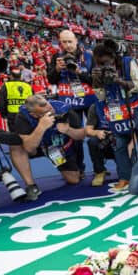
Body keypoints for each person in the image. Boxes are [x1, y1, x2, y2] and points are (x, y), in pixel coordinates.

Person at [87, 39, 138, 189]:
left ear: (114, 57)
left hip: (134, 111)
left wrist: (118, 80)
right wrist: (97, 83)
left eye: (107, 62)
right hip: (116, 115)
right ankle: (124, 177)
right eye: (99, 63)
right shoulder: (98, 70)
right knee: (119, 146)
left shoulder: (127, 62)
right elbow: (100, 98)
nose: (104, 66)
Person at [10, 94, 85, 200]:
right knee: (16, 146)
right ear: (34, 115)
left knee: (74, 179)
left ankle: (79, 167)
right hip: (37, 146)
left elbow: (81, 135)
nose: (50, 109)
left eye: (48, 105)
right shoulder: (23, 116)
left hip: (56, 148)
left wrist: (68, 130)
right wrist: (41, 127)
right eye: (45, 111)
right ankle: (31, 186)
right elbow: (29, 149)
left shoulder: (64, 109)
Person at [47, 30, 97, 178]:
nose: (67, 45)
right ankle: (79, 168)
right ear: (60, 42)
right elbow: (51, 79)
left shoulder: (88, 56)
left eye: (70, 41)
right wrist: (56, 69)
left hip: (89, 100)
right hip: (68, 102)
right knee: (74, 136)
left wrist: (79, 72)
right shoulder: (57, 57)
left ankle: (99, 168)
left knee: (95, 132)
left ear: (76, 40)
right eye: (64, 42)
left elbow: (95, 80)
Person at [0, 66, 33, 131]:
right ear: (20, 76)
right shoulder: (27, 86)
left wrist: (3, 114)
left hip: (12, 114)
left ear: (11, 76)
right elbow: (32, 101)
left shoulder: (6, 85)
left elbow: (2, 102)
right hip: (25, 114)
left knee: (14, 135)